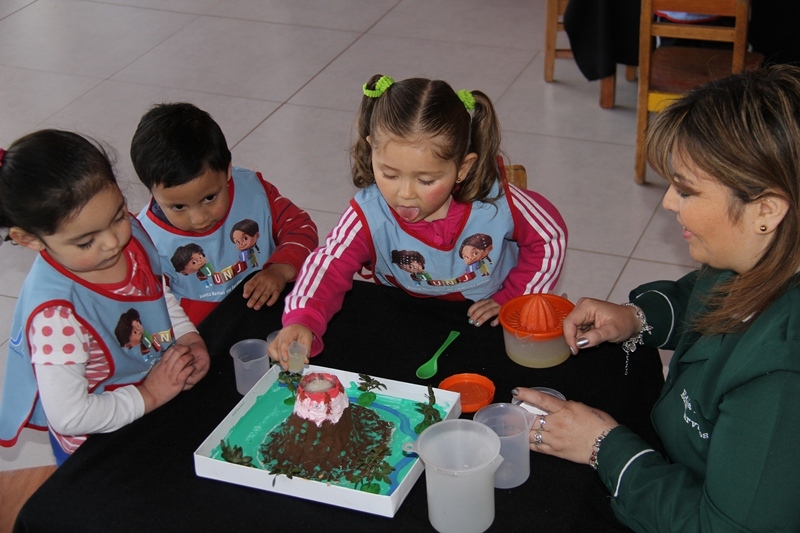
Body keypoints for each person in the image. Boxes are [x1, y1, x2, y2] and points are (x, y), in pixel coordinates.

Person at [513, 65, 800, 531]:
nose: (667, 202)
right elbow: (698, 296)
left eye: (686, 189)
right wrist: (635, 317)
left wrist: (603, 446)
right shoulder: (757, 256)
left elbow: (720, 526)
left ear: (765, 209)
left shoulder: (782, 379)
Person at [270, 74, 567, 368]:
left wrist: (514, 298)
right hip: (405, 312)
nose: (405, 194)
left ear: (463, 169)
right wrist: (302, 319)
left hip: (485, 312)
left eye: (426, 180)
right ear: (372, 151)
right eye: (389, 174)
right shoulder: (369, 213)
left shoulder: (497, 203)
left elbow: (550, 237)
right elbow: (329, 265)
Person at [0, 130, 210, 465]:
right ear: (30, 240)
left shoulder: (128, 237)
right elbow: (70, 417)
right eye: (86, 242)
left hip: (152, 398)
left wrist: (188, 337)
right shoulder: (56, 318)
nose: (113, 242)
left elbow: (156, 296)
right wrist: (148, 394)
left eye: (118, 216)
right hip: (98, 445)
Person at [131, 102, 319, 325]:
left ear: (227, 170)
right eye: (179, 207)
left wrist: (280, 270)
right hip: (203, 334)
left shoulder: (255, 192)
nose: (199, 218)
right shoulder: (146, 240)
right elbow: (149, 306)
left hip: (270, 312)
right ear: (152, 193)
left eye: (209, 198)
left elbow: (301, 228)